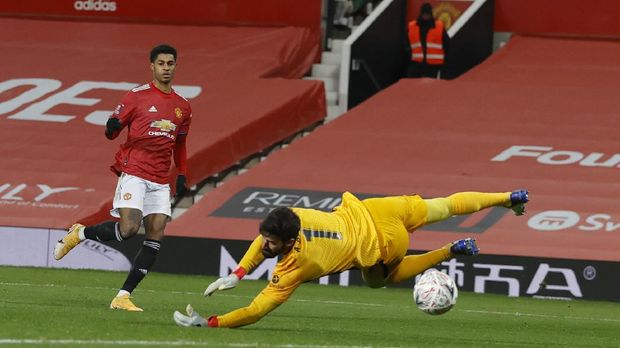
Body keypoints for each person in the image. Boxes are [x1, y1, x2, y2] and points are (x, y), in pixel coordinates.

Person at [173, 189, 529, 327]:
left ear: (288, 242)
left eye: (271, 242)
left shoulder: (299, 266)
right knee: (445, 206)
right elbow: (263, 241)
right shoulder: (294, 216)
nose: (265, 245)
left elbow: (257, 309)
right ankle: (507, 197)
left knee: (377, 280)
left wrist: (213, 323)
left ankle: (450, 250)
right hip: (377, 208)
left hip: (385, 246)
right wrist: (238, 272)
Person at [53, 44, 192, 312]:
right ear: (151, 66)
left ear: (175, 66)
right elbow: (112, 131)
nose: (166, 68)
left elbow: (180, 144)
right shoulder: (136, 96)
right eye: (161, 63)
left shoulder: (183, 106)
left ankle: (123, 296)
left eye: (170, 63)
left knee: (156, 234)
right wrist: (111, 127)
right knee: (128, 230)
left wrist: (182, 173)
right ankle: (79, 233)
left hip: (161, 178)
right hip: (135, 171)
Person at [406, 2, 450, 78]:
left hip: (433, 64)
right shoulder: (412, 26)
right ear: (421, 14)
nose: (425, 16)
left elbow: (447, 43)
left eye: (427, 14)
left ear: (431, 14)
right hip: (417, 63)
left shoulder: (439, 26)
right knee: (410, 84)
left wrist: (445, 60)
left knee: (431, 87)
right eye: (424, 14)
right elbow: (406, 42)